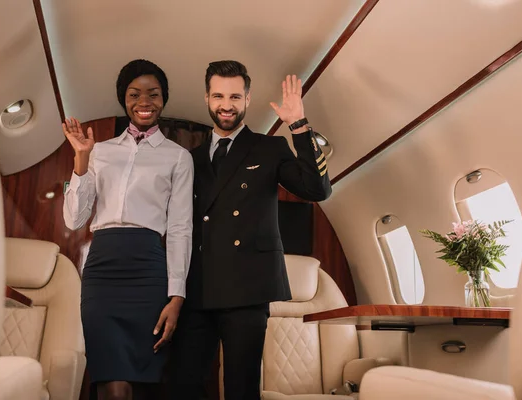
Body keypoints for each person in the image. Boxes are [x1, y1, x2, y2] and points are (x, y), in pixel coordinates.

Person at [169, 60, 331, 400]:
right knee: (184, 385)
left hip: (248, 288)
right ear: (206, 99)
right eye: (218, 96)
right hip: (198, 286)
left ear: (247, 99)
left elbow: (317, 191)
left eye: (234, 96)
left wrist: (298, 125)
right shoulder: (190, 158)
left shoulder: (268, 148)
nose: (226, 105)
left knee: (242, 389)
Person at [63, 59, 193, 400]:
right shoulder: (99, 151)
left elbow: (180, 228)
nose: (144, 101)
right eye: (135, 94)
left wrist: (176, 296)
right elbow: (74, 219)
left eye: (153, 93)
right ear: (124, 99)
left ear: (164, 99)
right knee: (111, 381)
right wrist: (80, 159)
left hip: (148, 272)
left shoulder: (178, 157)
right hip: (102, 271)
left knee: (139, 384)